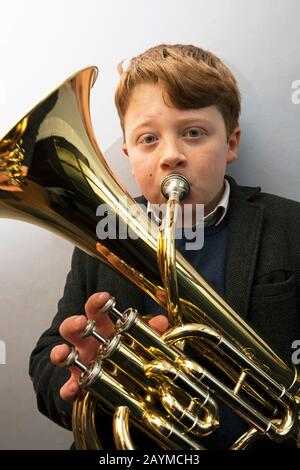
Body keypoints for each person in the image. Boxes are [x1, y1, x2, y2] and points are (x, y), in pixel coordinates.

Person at [29, 44, 300, 450]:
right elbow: (46, 358)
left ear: (230, 143)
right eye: (148, 139)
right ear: (128, 154)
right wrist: (86, 378)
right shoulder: (104, 233)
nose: (172, 155)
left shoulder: (290, 225)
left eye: (193, 132)